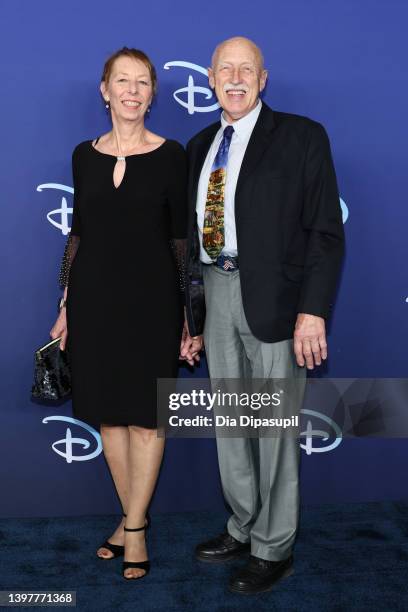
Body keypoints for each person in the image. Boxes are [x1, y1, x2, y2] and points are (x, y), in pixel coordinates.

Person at [182, 36, 345, 594]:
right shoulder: (200, 143)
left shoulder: (302, 137)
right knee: (233, 423)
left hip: (276, 301)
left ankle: (275, 547)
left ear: (263, 78)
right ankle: (244, 526)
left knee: (272, 429)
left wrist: (312, 312)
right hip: (215, 290)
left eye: (245, 69)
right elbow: (187, 240)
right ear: (209, 77)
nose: (235, 78)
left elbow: (325, 232)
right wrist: (192, 317)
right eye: (225, 69)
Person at [50, 47, 198, 580]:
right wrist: (65, 302)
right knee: (110, 417)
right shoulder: (82, 155)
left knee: (147, 419)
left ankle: (133, 528)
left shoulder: (171, 154)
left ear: (153, 94)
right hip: (93, 302)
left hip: (154, 304)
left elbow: (182, 242)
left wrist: (189, 315)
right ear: (104, 89)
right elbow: (78, 235)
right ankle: (133, 519)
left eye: (142, 83)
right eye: (122, 81)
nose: (132, 91)